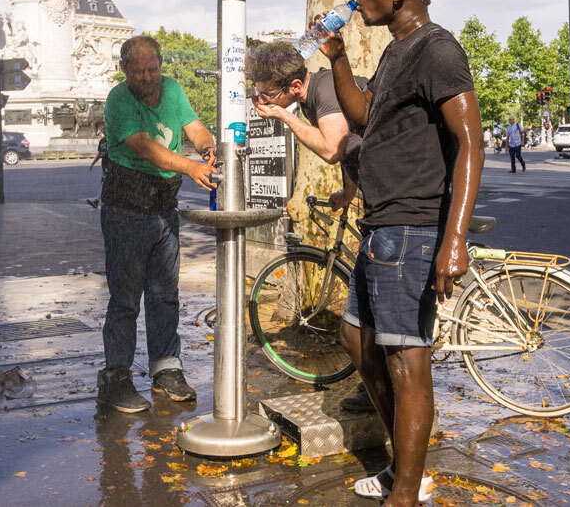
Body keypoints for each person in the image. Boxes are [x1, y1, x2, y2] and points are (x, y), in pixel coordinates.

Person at [319, 0, 482, 505]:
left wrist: (454, 239)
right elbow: (365, 115)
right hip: (380, 224)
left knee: (406, 361)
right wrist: (337, 56)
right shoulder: (396, 52)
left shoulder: (438, 50)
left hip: (413, 227)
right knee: (355, 339)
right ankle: (403, 468)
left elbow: (470, 144)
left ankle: (405, 494)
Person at [245, 41, 375, 413]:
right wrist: (348, 192)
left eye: (268, 94)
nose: (262, 101)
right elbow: (354, 144)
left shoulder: (324, 88)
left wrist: (285, 118)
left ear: (296, 87)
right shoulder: (310, 96)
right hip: (378, 189)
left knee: (374, 301)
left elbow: (333, 146)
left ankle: (383, 390)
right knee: (369, 303)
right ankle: (376, 385)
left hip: (405, 192)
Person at [96, 35, 218, 413]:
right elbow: (147, 148)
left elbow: (194, 128)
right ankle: (116, 377)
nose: (148, 78)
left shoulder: (173, 89)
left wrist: (207, 146)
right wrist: (190, 166)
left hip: (164, 208)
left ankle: (166, 368)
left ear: (162, 65)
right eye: (139, 71)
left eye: (153, 69)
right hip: (125, 210)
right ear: (124, 70)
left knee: (165, 293)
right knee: (126, 299)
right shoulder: (119, 99)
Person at [87, 121, 108, 209]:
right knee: (104, 183)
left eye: (104, 128)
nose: (103, 130)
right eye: (102, 129)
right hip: (105, 164)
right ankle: (98, 201)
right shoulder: (102, 141)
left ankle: (98, 200)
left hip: (112, 164)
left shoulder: (112, 139)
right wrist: (92, 164)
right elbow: (99, 154)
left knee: (106, 183)